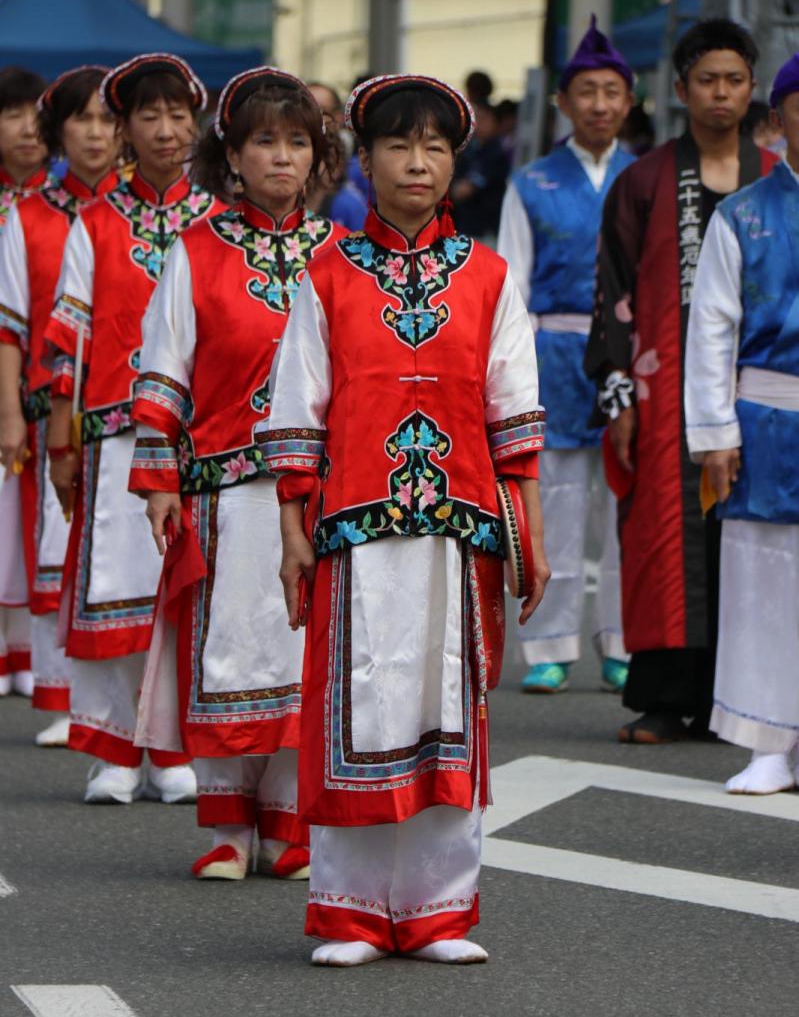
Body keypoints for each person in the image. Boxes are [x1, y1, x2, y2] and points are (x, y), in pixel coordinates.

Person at [264, 73, 549, 966]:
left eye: (433, 146)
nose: (416, 161)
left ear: (455, 161)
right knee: (360, 703)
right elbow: (297, 407)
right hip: (352, 523)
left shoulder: (490, 277)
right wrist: (289, 531)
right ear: (367, 159)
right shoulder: (328, 274)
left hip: (459, 528)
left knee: (443, 705)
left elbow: (514, 409)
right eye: (397, 144)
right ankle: (350, 910)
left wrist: (527, 533)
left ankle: (435, 910)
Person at [129, 66, 346, 878]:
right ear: (234, 153)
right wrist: (156, 480)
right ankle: (227, 826)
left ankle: (289, 822)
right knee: (230, 650)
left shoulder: (339, 255)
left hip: (315, 489)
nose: (282, 157)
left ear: (319, 156)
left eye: (297, 141)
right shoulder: (194, 252)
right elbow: (162, 372)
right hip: (222, 490)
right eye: (265, 141)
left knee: (297, 655)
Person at [585, 19, 778, 744]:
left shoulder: (777, 180)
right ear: (679, 90)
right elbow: (611, 292)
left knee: (757, 545)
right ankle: (665, 697)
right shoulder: (643, 181)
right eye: (706, 79)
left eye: (733, 79)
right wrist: (618, 396)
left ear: (752, 88)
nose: (720, 92)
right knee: (667, 542)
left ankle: (749, 702)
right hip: (661, 391)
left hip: (760, 391)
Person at [43, 53, 224, 803]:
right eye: (147, 116)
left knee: (180, 596)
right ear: (124, 130)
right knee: (115, 592)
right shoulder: (92, 223)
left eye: (178, 114)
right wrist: (62, 437)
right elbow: (69, 340)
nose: (165, 129)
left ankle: (172, 748)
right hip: (114, 434)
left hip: (192, 440)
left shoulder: (218, 223)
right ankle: (117, 748)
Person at [498, 16, 635, 694]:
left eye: (612, 91)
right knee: (549, 500)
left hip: (627, 358)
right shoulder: (530, 182)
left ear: (629, 101)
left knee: (623, 506)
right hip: (550, 351)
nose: (600, 104)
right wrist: (512, 373)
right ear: (563, 101)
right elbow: (510, 287)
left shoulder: (648, 178)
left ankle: (623, 640)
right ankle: (546, 643)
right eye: (586, 91)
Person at [685, 54, 799, 793]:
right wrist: (715, 435)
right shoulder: (743, 214)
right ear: (778, 118)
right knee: (762, 581)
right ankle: (767, 740)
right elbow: (711, 330)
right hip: (766, 416)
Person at [0, 66, 120, 746]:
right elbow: (11, 325)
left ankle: (128, 705)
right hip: (58, 415)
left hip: (132, 415)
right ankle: (62, 693)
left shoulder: (147, 220)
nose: (97, 133)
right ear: (59, 131)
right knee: (57, 548)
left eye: (108, 119)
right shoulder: (27, 217)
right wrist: (13, 416)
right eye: (83, 120)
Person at [0, 66, 53, 700]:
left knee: (29, 516)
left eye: (36, 116)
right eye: (11, 115)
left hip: (38, 379)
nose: (25, 129)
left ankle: (30, 652)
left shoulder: (64, 207)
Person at [451, 101, 508, 240]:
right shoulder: (469, 149)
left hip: (484, 229)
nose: (478, 123)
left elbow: (464, 191)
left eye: (484, 118)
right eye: (476, 118)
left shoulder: (495, 154)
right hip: (463, 225)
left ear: (496, 123)